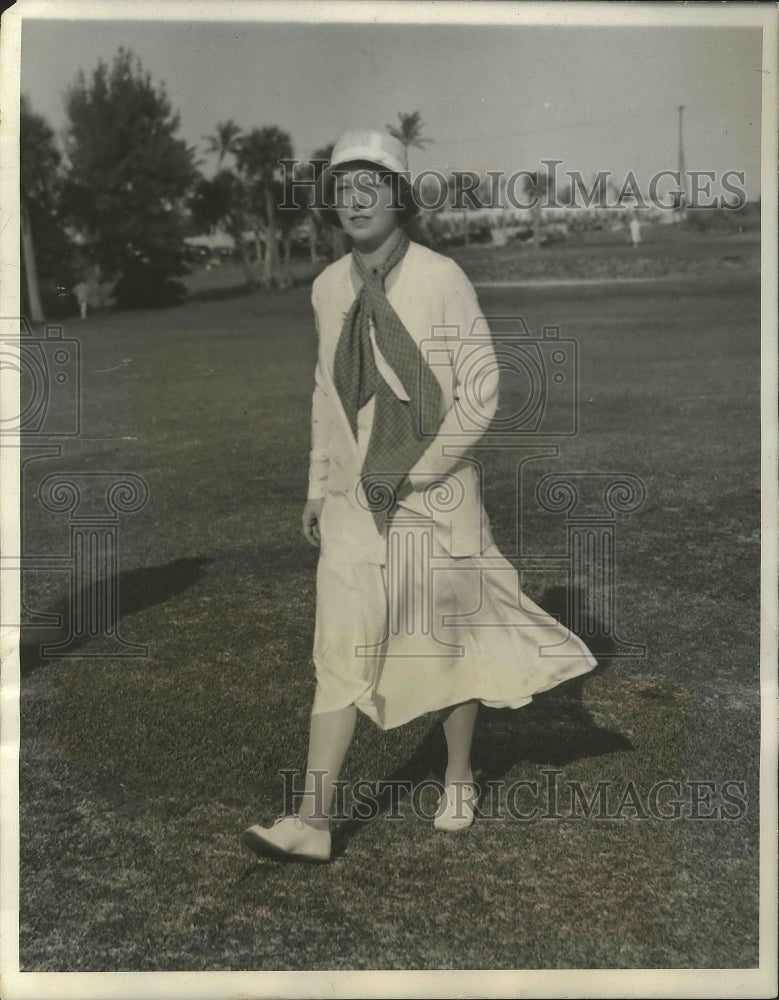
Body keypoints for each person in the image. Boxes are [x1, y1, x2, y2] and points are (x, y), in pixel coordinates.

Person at [242, 128, 597, 863]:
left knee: (446, 648)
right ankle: (312, 820)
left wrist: (419, 470)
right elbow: (324, 394)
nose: (356, 198)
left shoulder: (439, 277)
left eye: (371, 183)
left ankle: (459, 774)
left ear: (398, 195)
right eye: (344, 186)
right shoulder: (327, 287)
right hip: (350, 506)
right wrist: (317, 485)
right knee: (337, 650)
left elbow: (482, 390)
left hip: (430, 499)